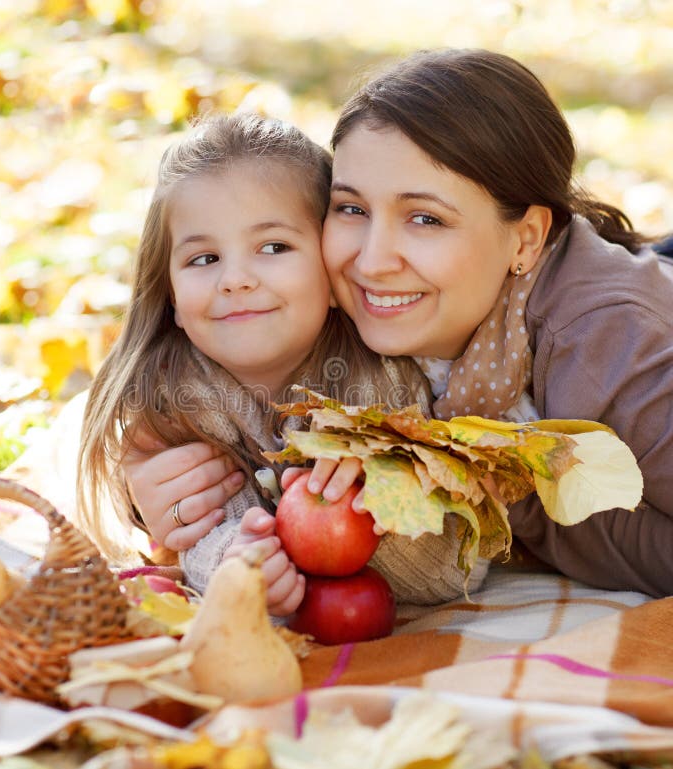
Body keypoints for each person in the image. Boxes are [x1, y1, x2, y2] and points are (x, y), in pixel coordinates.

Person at [128, 49, 673, 599]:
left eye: (425, 219)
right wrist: (151, 493)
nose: (372, 261)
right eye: (352, 209)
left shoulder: (612, 345)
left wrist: (512, 486)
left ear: (526, 239)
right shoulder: (351, 312)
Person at [76, 112, 482, 616]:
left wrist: (383, 507)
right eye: (204, 259)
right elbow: (194, 533)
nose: (236, 279)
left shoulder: (389, 383)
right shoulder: (172, 405)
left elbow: (452, 573)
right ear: (172, 299)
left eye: (274, 247)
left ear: (332, 269)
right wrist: (235, 563)